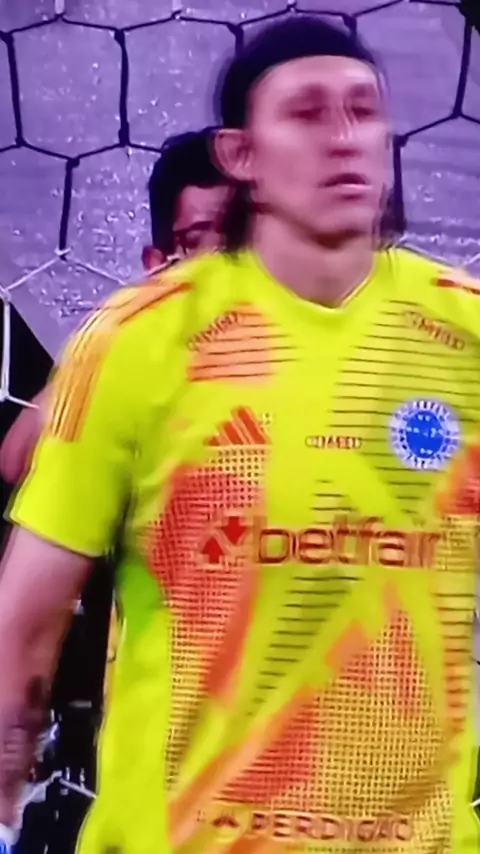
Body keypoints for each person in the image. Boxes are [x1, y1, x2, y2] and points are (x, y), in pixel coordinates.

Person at [0, 15, 479, 854]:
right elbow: (28, 611)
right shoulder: (139, 339)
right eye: (306, 111)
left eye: (363, 109)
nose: (343, 136)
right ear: (242, 154)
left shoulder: (462, 334)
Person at [0, 127, 229, 487]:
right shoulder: (131, 349)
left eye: (242, 239)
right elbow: (18, 460)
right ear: (158, 264)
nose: (225, 261)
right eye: (197, 241)